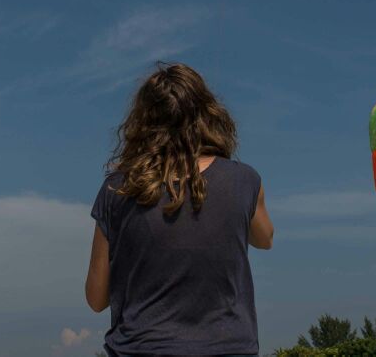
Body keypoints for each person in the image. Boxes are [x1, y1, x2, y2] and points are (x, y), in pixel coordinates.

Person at [85, 62, 274, 357]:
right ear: (207, 114)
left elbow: (96, 299)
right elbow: (265, 239)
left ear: (143, 121)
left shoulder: (117, 189)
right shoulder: (244, 180)